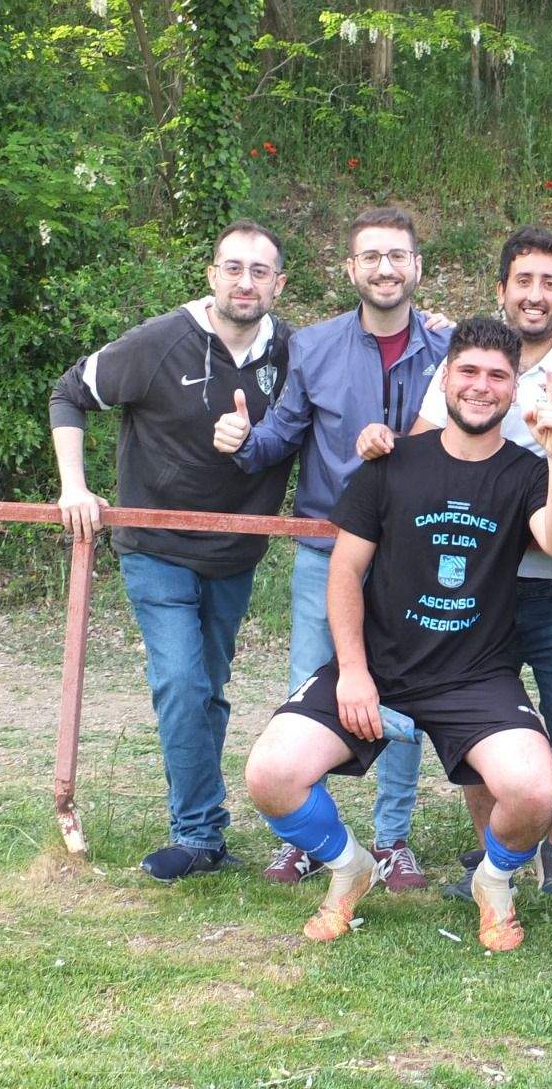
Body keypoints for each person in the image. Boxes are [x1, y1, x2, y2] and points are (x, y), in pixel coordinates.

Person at [242, 317, 552, 950]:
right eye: (469, 371)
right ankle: (350, 867)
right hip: (379, 666)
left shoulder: (528, 471)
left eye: (498, 376)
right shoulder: (390, 463)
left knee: (534, 792)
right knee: (271, 774)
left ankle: (493, 882)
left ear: (514, 389)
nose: (481, 386)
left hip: (475, 676)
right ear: (445, 378)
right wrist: (352, 671)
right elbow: (345, 572)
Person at [49, 220, 296, 880]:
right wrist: (75, 486)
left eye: (260, 271)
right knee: (182, 682)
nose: (245, 282)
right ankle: (196, 833)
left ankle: (205, 834)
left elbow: (367, 366)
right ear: (212, 275)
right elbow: (70, 393)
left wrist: (435, 330)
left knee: (206, 687)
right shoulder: (159, 342)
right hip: (155, 548)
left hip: (236, 554)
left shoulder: (296, 353)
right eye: (233, 268)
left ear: (278, 285)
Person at [214, 206, 450, 891]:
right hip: (327, 549)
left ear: (416, 266)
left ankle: (392, 838)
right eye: (371, 255)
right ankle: (307, 837)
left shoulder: (449, 347)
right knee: (308, 689)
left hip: (414, 556)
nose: (385, 267)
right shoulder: (313, 347)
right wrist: (242, 440)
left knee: (404, 696)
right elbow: (281, 436)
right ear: (351, 269)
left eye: (397, 255)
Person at [403, 225, 552, 899]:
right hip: (472, 582)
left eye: (550, 283)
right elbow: (421, 452)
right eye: (523, 280)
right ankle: (494, 854)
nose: (535, 294)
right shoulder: (471, 365)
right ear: (501, 290)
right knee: (475, 721)